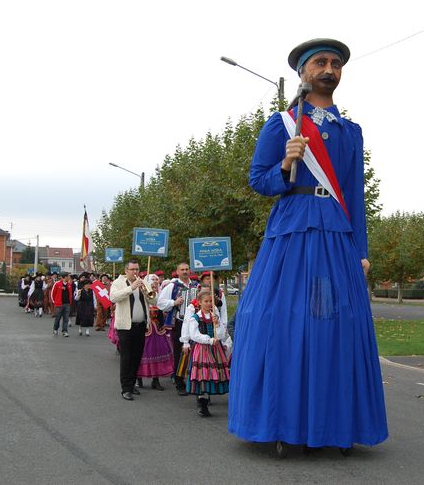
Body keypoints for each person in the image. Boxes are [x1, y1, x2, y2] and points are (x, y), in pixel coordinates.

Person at [228, 39, 388, 449]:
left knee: (336, 326)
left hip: (336, 235)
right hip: (292, 232)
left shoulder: (352, 131)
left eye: (335, 63)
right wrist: (286, 162)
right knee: (282, 321)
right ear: (303, 72)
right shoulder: (282, 123)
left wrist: (362, 250)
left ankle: (333, 426)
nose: (329, 68)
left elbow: (355, 196)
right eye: (320, 62)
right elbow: (259, 181)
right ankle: (283, 424)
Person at [110, 258, 150, 401]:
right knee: (126, 358)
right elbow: (113, 297)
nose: (135, 272)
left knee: (136, 357)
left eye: (137, 269)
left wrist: (150, 292)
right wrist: (131, 288)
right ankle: (126, 388)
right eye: (132, 269)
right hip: (125, 327)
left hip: (140, 326)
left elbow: (153, 301)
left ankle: (132, 384)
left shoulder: (142, 282)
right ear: (126, 270)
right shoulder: (118, 283)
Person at [185, 290, 229, 418]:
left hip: (215, 349)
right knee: (202, 375)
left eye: (210, 301)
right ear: (199, 303)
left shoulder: (215, 316)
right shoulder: (195, 318)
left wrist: (218, 324)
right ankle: (202, 403)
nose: (209, 303)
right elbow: (194, 335)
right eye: (206, 301)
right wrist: (209, 340)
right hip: (202, 350)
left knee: (211, 374)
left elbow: (221, 334)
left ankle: (207, 398)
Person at [157, 262, 199, 396]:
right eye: (182, 270)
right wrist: (174, 303)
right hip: (179, 323)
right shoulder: (172, 286)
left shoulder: (195, 286)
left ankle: (192, 380)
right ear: (178, 271)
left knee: (195, 352)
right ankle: (179, 381)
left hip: (194, 323)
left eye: (187, 269)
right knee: (179, 352)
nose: (185, 272)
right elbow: (160, 303)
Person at [136, 274, 174, 390]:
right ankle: (138, 378)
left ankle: (155, 380)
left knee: (157, 353)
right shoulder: (141, 296)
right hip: (145, 328)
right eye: (151, 286)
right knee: (141, 353)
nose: (153, 288)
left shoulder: (158, 297)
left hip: (157, 330)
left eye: (155, 286)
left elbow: (162, 309)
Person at [51, 273, 74, 337]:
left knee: (66, 318)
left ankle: (65, 331)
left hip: (67, 304)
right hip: (59, 304)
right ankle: (55, 329)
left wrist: (70, 302)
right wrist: (54, 302)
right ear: (65, 277)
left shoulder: (69, 285)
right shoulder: (57, 284)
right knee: (58, 318)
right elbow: (53, 293)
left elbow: (70, 294)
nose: (69, 278)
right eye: (68, 276)